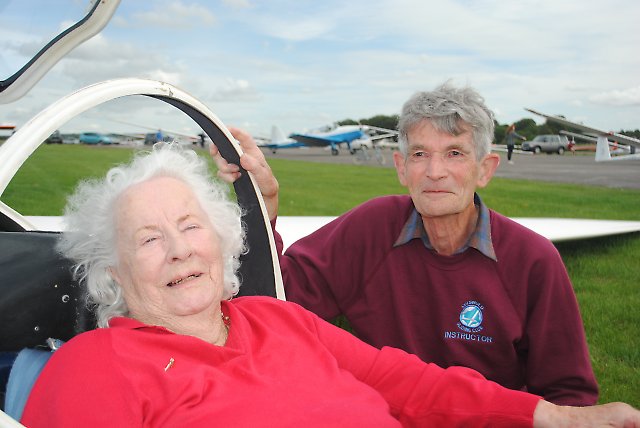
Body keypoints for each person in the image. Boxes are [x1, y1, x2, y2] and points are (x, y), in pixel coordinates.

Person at [21, 143, 640, 427]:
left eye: (190, 226)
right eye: (149, 239)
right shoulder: (95, 366)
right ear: (113, 272)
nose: (180, 248)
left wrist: (554, 416)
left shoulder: (279, 318)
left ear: (221, 240)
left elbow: (410, 384)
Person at [214, 82, 599, 407]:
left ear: (485, 169)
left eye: (454, 153)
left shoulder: (533, 259)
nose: (435, 171)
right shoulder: (372, 228)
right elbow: (277, 298)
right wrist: (263, 207)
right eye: (420, 154)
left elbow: (570, 394)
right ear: (401, 167)